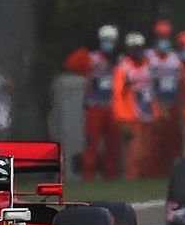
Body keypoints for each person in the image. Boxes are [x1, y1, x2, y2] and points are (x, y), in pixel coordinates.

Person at [64, 25, 122, 180]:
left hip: (113, 107)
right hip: (95, 106)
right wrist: (85, 50)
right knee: (91, 144)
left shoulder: (120, 60)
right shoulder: (92, 58)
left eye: (111, 41)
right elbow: (71, 63)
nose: (108, 43)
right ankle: (88, 176)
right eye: (105, 40)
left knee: (113, 145)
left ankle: (110, 176)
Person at [112, 32, 156, 179]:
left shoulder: (150, 65)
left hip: (149, 115)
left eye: (139, 47)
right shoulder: (123, 69)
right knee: (134, 153)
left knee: (148, 152)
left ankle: (146, 180)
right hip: (132, 117)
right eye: (134, 48)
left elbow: (154, 90)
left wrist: (158, 113)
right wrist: (122, 120)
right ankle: (131, 179)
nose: (137, 51)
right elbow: (118, 96)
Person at [145, 22, 185, 176]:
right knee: (155, 142)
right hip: (154, 103)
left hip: (172, 103)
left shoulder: (175, 58)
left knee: (173, 140)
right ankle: (153, 173)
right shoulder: (149, 57)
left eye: (166, 36)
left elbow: (181, 83)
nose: (163, 39)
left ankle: (173, 171)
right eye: (161, 36)